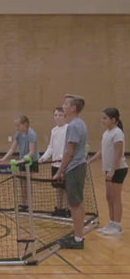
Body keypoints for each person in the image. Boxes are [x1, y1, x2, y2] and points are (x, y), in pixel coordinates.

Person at [53, 94, 88, 249]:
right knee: (77, 203)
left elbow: (70, 151)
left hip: (74, 167)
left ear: (73, 108)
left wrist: (60, 170)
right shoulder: (80, 123)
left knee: (74, 204)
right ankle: (78, 235)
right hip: (79, 166)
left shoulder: (74, 126)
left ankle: (78, 239)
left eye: (66, 104)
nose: (63, 106)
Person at [87, 107, 127, 235]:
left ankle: (117, 226)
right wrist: (88, 162)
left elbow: (118, 153)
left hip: (118, 169)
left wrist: (113, 170)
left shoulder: (117, 133)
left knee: (115, 198)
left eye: (105, 118)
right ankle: (111, 223)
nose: (102, 120)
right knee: (109, 197)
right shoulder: (106, 133)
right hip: (109, 170)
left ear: (114, 120)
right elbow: (102, 152)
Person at [0, 114, 39, 211]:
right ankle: (23, 204)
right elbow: (12, 149)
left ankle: (29, 204)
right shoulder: (18, 134)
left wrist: (22, 160)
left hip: (31, 161)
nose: (17, 128)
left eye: (18, 125)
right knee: (22, 183)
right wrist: (4, 159)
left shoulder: (31, 134)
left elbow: (31, 152)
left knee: (28, 183)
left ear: (25, 124)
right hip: (22, 161)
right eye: (16, 126)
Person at [39, 107, 69, 217]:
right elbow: (50, 147)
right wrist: (44, 157)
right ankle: (59, 207)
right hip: (55, 164)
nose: (57, 117)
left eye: (60, 115)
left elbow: (69, 147)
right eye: (55, 115)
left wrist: (63, 158)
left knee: (66, 188)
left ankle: (67, 208)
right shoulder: (54, 130)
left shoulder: (68, 129)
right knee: (58, 187)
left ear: (65, 117)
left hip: (65, 164)